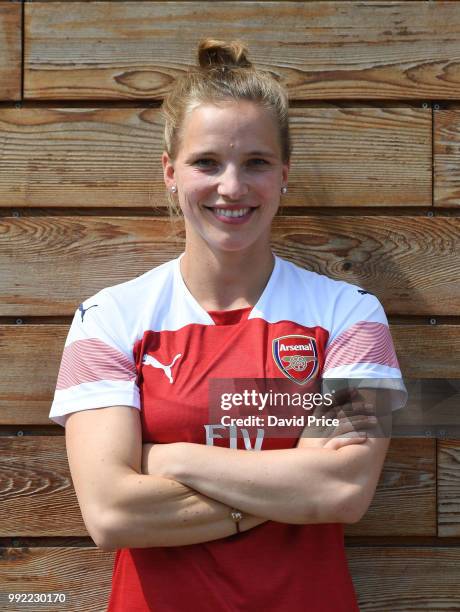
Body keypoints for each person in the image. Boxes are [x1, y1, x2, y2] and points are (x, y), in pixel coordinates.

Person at [49, 38, 407, 611]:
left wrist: (169, 457)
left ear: (284, 174)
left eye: (256, 163)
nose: (232, 187)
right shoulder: (110, 317)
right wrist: (288, 486)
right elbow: (112, 512)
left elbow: (342, 489)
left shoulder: (350, 314)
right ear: (170, 173)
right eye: (206, 162)